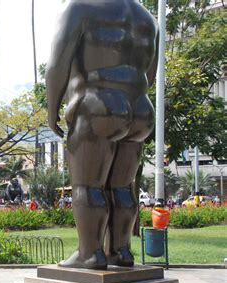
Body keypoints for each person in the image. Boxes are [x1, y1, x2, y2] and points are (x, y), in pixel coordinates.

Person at [47, 1, 158, 269]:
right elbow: (150, 74)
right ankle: (121, 251)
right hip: (141, 108)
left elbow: (57, 66)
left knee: (88, 186)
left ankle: (90, 253)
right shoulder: (147, 18)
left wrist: (52, 110)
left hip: (98, 103)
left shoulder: (78, 7)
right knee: (122, 187)